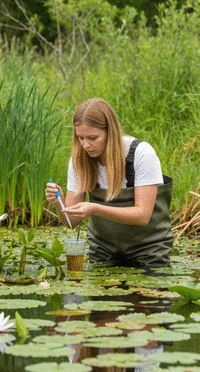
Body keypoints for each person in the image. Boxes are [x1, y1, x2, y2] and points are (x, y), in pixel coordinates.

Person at [45, 98, 173, 267]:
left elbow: (143, 216)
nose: (85, 145)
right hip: (103, 252)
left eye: (93, 137)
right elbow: (71, 222)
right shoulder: (79, 160)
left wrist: (94, 208)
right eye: (80, 138)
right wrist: (59, 202)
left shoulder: (141, 154)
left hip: (149, 251)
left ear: (110, 131)